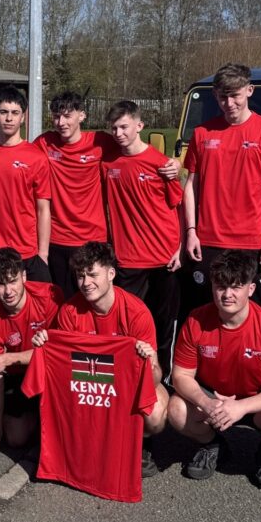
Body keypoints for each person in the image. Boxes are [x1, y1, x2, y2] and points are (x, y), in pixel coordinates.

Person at [0, 91, 180, 298]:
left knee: (95, 301)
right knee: (61, 302)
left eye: (68, 116)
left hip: (92, 240)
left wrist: (173, 164)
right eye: (56, 116)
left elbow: (135, 150)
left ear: (82, 115)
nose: (61, 122)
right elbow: (12, 151)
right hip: (57, 241)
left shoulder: (101, 142)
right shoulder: (45, 143)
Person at [33, 242, 168, 477]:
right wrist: (45, 343)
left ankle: (141, 443)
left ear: (111, 273)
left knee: (155, 414)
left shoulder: (136, 312)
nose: (86, 283)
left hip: (128, 387)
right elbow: (62, 368)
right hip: (90, 384)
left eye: (92, 274)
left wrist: (148, 360)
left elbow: (155, 377)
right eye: (80, 276)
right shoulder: (69, 311)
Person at [167, 250, 261, 490]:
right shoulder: (196, 320)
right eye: (220, 286)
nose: (227, 295)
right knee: (176, 409)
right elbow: (180, 376)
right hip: (213, 399)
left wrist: (242, 407)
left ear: (250, 288)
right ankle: (211, 444)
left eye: (236, 287)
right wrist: (205, 403)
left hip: (258, 401)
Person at [182, 63, 261, 306]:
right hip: (209, 241)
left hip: (252, 242)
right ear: (215, 96)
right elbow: (192, 185)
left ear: (249, 90)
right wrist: (190, 232)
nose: (229, 103)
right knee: (206, 312)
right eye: (223, 97)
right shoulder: (202, 133)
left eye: (235, 96)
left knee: (253, 314)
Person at [102, 100, 183, 380]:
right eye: (114, 128)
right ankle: (131, 377)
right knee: (128, 324)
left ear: (140, 126)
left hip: (164, 258)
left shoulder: (162, 165)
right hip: (128, 260)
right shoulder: (108, 163)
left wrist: (180, 249)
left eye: (124, 126)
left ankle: (163, 380)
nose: (119, 133)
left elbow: (180, 208)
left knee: (162, 325)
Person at [0, 85, 52, 303]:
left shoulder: (37, 157)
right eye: (3, 112)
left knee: (37, 318)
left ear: (23, 117)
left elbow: (43, 209)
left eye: (15, 113)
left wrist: (42, 254)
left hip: (27, 254)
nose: (9, 118)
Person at [0, 247, 64, 455]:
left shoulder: (50, 296)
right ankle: (27, 415)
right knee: (16, 439)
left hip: (50, 371)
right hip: (18, 377)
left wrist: (9, 357)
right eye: (0, 283)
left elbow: (61, 350)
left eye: (12, 280)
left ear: (24, 276)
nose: (8, 291)